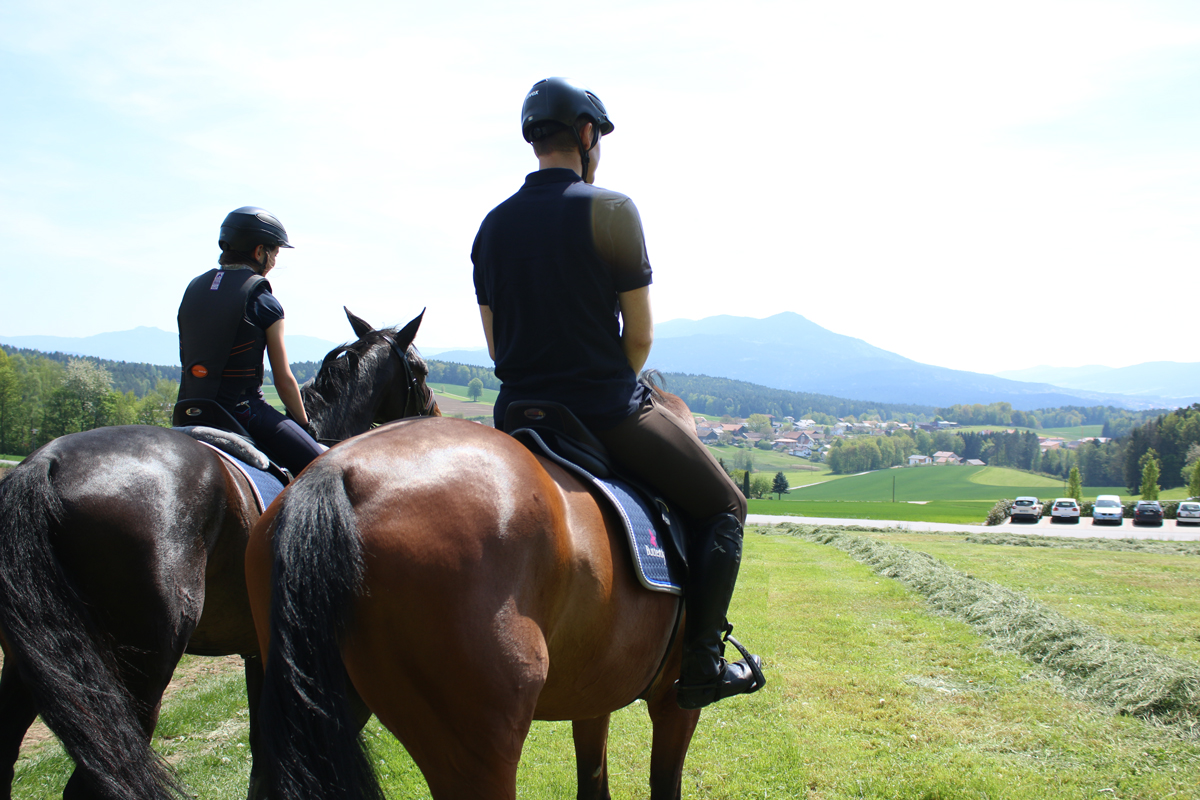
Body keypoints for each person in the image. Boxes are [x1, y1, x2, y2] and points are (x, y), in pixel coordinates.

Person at [471, 77, 763, 710]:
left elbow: (495, 348)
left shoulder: (491, 227)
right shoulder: (612, 210)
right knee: (726, 508)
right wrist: (611, 386)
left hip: (517, 415)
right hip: (602, 410)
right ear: (584, 135)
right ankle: (704, 660)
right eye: (597, 136)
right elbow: (640, 338)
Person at [177, 206, 324, 477]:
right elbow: (284, 379)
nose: (274, 262)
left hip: (187, 409)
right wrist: (304, 425)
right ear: (259, 252)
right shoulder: (263, 301)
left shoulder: (193, 288)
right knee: (327, 468)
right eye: (275, 253)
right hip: (241, 412)